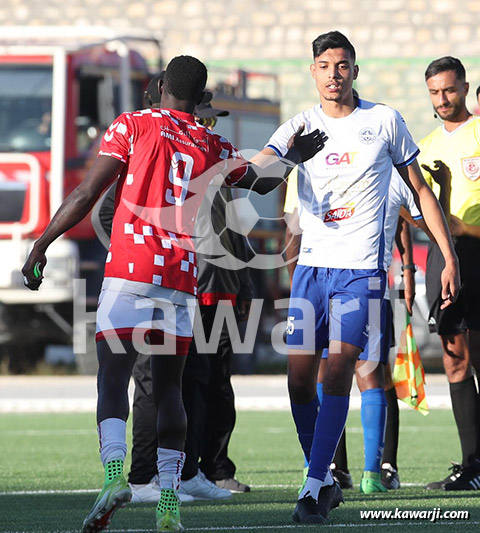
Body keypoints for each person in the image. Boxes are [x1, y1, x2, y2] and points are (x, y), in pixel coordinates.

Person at [22, 55, 327, 533]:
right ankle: (168, 499)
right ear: (202, 95)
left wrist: (40, 244)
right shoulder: (210, 140)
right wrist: (294, 156)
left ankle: (113, 476)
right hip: (181, 280)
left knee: (114, 373)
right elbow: (260, 180)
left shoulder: (132, 125)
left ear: (162, 84)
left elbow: (85, 195)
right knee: (170, 389)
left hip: (130, 270)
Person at [253, 31, 459, 524]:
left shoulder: (384, 121)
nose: (333, 74)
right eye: (324, 66)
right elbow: (258, 175)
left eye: (342, 65)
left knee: (338, 373)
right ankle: (323, 477)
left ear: (355, 70)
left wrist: (447, 256)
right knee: (299, 383)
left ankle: (311, 488)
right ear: (313, 71)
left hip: (361, 271)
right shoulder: (299, 126)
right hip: (310, 272)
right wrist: (287, 158)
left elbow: (421, 192)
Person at [92, 77, 251, 502]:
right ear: (194, 103)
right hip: (176, 281)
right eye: (209, 114)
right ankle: (147, 478)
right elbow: (107, 210)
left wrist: (242, 281)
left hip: (193, 284)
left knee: (196, 381)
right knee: (154, 384)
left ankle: (182, 472)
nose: (211, 122)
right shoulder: (188, 147)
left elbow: (231, 234)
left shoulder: (197, 148)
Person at [285, 167, 420, 494]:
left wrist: (298, 284)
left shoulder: (309, 165)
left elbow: (292, 232)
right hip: (367, 284)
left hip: (327, 281)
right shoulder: (391, 170)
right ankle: (368, 474)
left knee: (326, 374)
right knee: (367, 374)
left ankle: (319, 469)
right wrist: (409, 267)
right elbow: (414, 219)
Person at [417, 56, 480, 490]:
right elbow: (414, 208)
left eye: (450, 90)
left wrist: (465, 228)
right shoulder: (424, 147)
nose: (442, 99)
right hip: (443, 259)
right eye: (435, 92)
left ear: (464, 86)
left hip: (476, 250)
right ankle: (471, 465)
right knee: (455, 361)